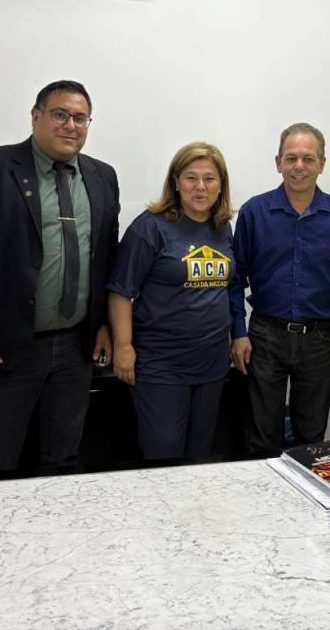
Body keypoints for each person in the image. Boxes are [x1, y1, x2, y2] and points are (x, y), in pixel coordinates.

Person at [0, 80, 119, 473]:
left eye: (81, 118)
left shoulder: (102, 176)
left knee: (64, 457)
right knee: (0, 459)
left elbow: (106, 255)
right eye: (60, 114)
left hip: (76, 347)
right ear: (35, 116)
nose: (71, 125)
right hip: (7, 347)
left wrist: (104, 323)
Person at [229, 123, 330, 452]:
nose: (299, 166)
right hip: (265, 336)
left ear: (322, 164)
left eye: (308, 158)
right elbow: (235, 277)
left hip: (321, 340)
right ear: (278, 162)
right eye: (291, 158)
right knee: (261, 433)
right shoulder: (254, 213)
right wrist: (238, 332)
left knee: (311, 435)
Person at [107, 142, 233, 460]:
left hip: (212, 364)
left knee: (201, 457)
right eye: (191, 177)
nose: (200, 186)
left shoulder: (222, 228)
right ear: (176, 182)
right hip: (162, 366)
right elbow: (120, 292)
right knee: (164, 458)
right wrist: (123, 347)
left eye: (209, 178)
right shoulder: (150, 227)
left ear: (221, 185)